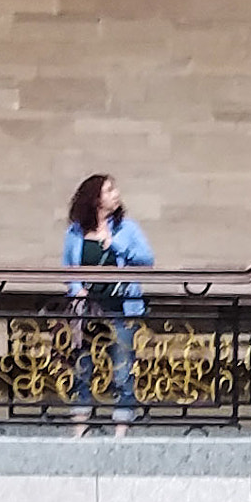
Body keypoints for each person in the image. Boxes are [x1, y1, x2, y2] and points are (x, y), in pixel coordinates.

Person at [62, 175, 155, 437]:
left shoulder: (127, 228)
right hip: (88, 309)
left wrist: (116, 245)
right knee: (83, 366)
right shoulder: (75, 231)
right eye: (109, 190)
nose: (116, 194)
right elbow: (68, 267)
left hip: (122, 307)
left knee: (122, 367)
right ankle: (81, 427)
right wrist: (75, 288)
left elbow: (147, 258)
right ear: (95, 199)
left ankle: (121, 430)